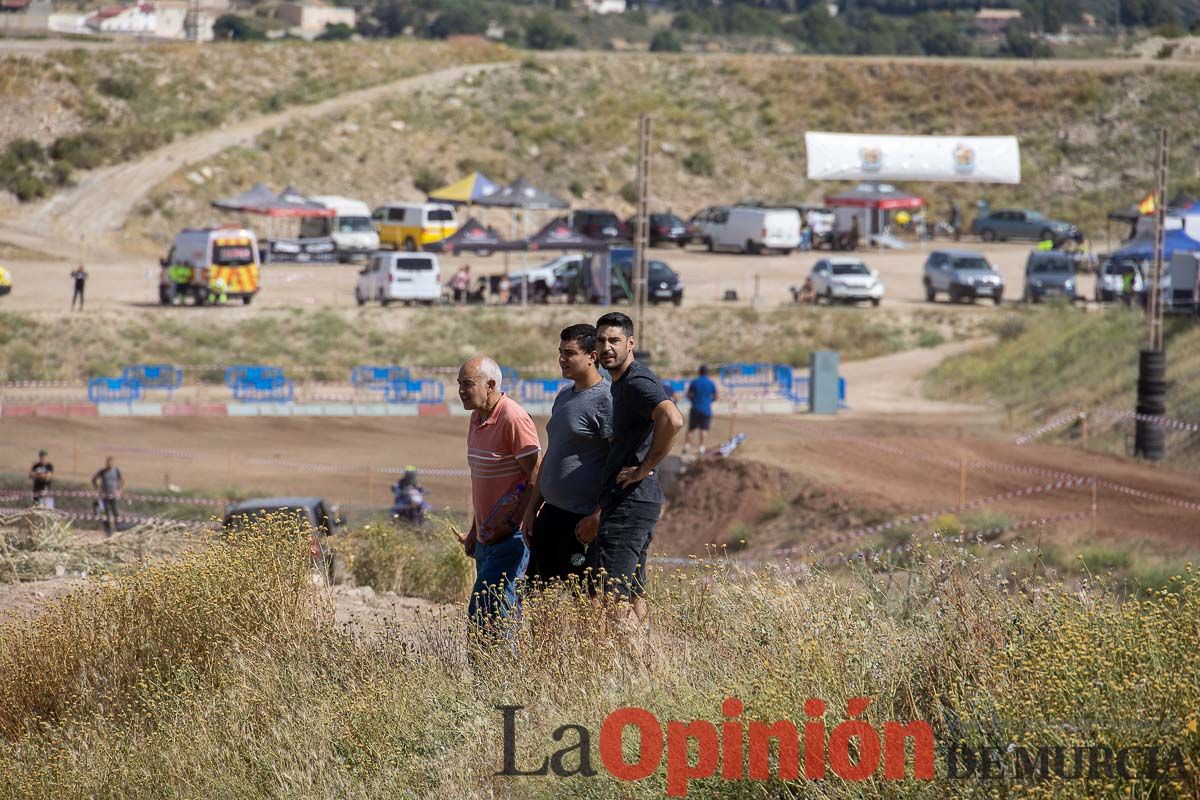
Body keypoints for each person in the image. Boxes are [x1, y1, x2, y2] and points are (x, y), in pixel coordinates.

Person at [578, 312, 683, 621]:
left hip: (631, 501)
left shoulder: (637, 381)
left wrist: (644, 467)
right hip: (635, 502)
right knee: (634, 592)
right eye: (601, 341)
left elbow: (673, 419)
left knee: (613, 595)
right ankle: (648, 663)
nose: (607, 347)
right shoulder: (622, 383)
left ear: (631, 343)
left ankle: (628, 667)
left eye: (614, 340)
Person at [456, 355, 540, 636]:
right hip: (486, 538)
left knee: (489, 613)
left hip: (510, 538)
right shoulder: (476, 418)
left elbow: (536, 474)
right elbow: (482, 483)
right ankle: (494, 676)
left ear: (490, 385)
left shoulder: (513, 418)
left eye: (468, 384)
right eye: (459, 384)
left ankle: (497, 676)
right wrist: (474, 531)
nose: (461, 391)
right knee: (492, 617)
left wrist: (515, 521)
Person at [521, 324, 612, 585]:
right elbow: (553, 455)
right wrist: (531, 510)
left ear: (592, 356)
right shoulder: (563, 396)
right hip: (551, 515)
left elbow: (619, 462)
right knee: (538, 595)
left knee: (584, 602)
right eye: (560, 352)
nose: (562, 359)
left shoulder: (606, 400)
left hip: (582, 522)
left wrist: (597, 515)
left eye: (570, 353)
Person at [682, 365, 719, 456]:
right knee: (703, 429)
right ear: (707, 372)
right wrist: (709, 401)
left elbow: (687, 395)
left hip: (695, 408)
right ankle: (701, 447)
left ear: (699, 372)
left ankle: (687, 446)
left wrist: (693, 401)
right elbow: (716, 396)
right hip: (706, 409)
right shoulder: (711, 383)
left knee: (691, 429)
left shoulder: (694, 382)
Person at [91, 456, 125, 535]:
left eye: (111, 462)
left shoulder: (116, 471)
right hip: (105, 495)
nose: (110, 464)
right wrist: (98, 488)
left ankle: (118, 529)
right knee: (106, 513)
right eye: (108, 462)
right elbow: (94, 479)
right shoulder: (102, 471)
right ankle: (108, 530)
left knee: (115, 512)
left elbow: (122, 480)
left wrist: (119, 490)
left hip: (114, 495)